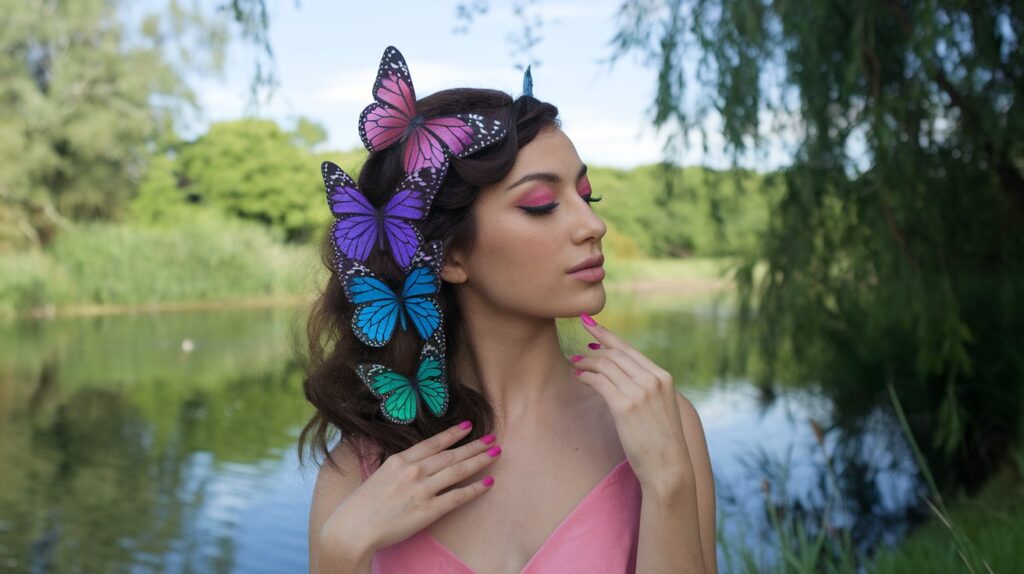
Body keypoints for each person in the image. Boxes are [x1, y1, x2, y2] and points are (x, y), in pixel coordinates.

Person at [301, 47, 716, 574]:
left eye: (589, 196)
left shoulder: (663, 423)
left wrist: (669, 485)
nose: (592, 225)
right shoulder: (361, 468)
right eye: (542, 204)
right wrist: (339, 555)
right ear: (450, 255)